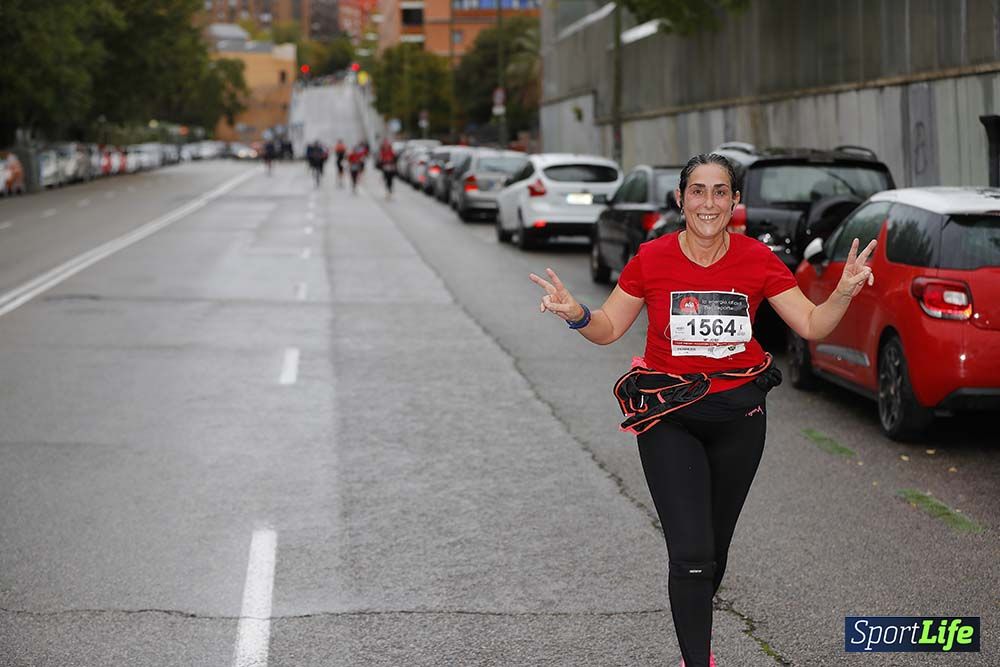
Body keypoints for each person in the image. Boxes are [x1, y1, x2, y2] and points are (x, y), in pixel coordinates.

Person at [529, 153, 876, 667]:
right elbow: (607, 327)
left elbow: (812, 324)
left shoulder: (758, 260)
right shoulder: (651, 258)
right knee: (690, 554)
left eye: (719, 192)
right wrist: (576, 313)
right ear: (681, 199)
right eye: (697, 190)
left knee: (713, 554)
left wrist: (843, 292)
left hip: (739, 421)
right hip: (668, 417)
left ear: (735, 202)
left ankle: (696, 615)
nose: (707, 202)